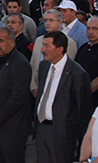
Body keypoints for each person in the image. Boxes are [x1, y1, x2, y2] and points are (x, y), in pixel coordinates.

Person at [34, 31, 93, 163]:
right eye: (43, 45)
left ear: (60, 49)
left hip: (63, 134)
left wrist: (77, 138)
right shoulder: (44, 66)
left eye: (47, 46)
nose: (43, 49)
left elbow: (83, 110)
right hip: (42, 128)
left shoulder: (77, 74)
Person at [0, 27, 34, 163]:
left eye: (1, 41)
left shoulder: (21, 64)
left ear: (12, 42)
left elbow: (17, 98)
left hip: (12, 129)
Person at [31, 10, 77, 94]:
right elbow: (33, 64)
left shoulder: (69, 43)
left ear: (60, 23)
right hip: (38, 88)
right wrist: (33, 87)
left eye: (51, 20)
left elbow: (66, 69)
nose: (47, 23)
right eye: (45, 20)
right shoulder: (38, 40)